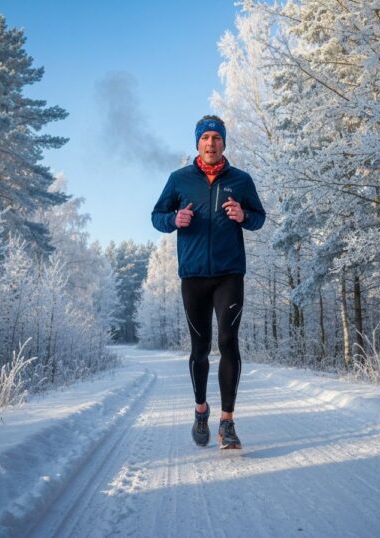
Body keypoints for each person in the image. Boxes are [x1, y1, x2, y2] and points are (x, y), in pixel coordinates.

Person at [151, 115, 265, 449]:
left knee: (229, 342)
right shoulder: (179, 179)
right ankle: (201, 409)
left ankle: (227, 422)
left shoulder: (240, 181)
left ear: (224, 143)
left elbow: (259, 218)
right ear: (197, 143)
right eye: (205, 138)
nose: (211, 143)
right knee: (200, 348)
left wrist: (244, 216)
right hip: (194, 276)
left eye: (217, 137)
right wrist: (174, 219)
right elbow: (157, 217)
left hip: (230, 273)